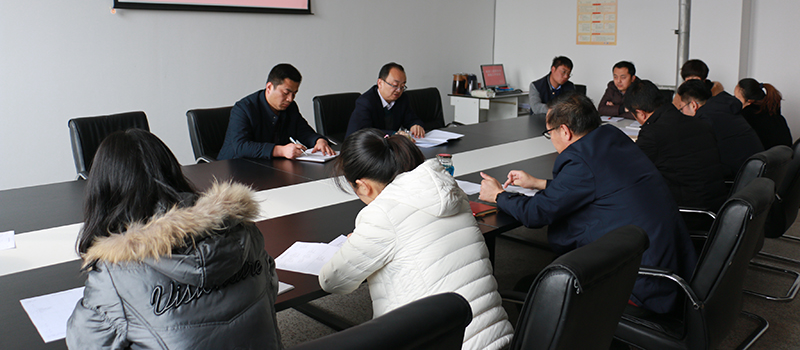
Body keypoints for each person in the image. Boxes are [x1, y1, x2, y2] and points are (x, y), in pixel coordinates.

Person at [478, 94, 696, 314]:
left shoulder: (580, 159)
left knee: (529, 287)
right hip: (670, 265)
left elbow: (537, 214)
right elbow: (596, 185)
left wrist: (498, 195)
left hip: (641, 283)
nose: (551, 138)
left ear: (565, 131)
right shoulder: (611, 138)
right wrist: (539, 183)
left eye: (549, 132)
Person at [66, 129, 282, 350]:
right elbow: (270, 289)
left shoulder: (115, 273)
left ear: (102, 192)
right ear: (171, 171)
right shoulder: (243, 229)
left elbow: (84, 343)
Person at [319, 129, 514, 350]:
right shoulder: (453, 191)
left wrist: (354, 243)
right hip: (501, 341)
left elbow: (332, 281)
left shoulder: (381, 213)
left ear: (364, 185)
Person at [623, 79, 727, 212]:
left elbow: (630, 172)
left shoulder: (652, 134)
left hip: (689, 213)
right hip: (718, 207)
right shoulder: (701, 124)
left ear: (641, 114)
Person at [217, 63, 333, 160]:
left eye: (294, 93)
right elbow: (241, 147)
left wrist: (319, 141)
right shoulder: (243, 108)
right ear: (269, 87)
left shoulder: (290, 107)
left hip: (269, 167)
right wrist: (281, 150)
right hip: (235, 168)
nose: (290, 99)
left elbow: (303, 131)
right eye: (286, 93)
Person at [676, 80, 764, 180]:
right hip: (755, 174)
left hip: (738, 178)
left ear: (693, 105)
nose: (682, 113)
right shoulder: (722, 110)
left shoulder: (705, 120)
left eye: (682, 109)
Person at [345, 62, 425, 138]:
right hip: (362, 145)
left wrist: (416, 125)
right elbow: (365, 132)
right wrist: (393, 134)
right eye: (395, 85)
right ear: (380, 83)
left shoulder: (402, 99)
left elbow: (411, 119)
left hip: (387, 145)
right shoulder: (365, 102)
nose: (399, 90)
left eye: (402, 86)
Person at [735, 78, 793, 149]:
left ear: (749, 101)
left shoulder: (746, 118)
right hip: (785, 155)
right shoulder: (774, 114)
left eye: (737, 98)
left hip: (762, 155)